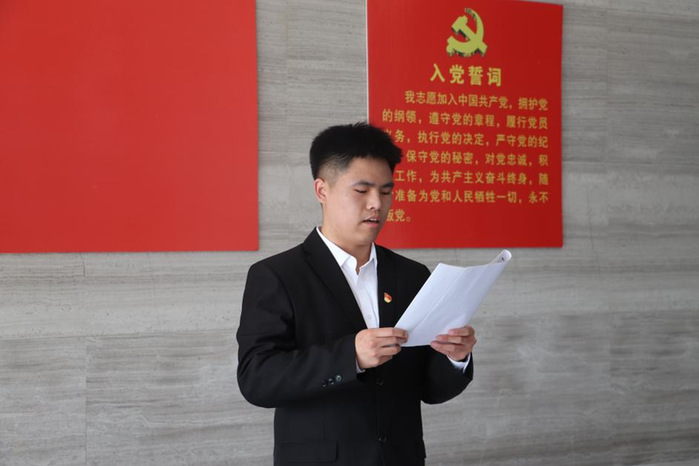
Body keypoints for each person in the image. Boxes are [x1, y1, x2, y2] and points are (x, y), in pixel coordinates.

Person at [237, 122, 476, 466]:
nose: (376, 204)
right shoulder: (277, 275)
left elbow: (431, 390)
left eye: (386, 191)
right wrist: (350, 356)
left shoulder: (411, 275)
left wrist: (455, 357)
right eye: (362, 190)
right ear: (322, 190)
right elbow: (256, 379)